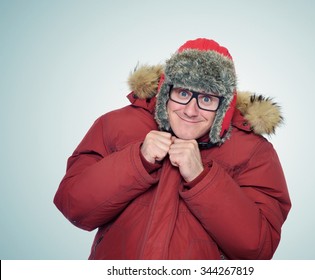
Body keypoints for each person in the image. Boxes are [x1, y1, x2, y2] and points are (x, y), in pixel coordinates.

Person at [54, 38, 291, 260]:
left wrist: (202, 179)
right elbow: (74, 205)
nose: (190, 110)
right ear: (167, 91)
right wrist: (138, 160)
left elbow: (259, 248)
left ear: (225, 105)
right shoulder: (115, 125)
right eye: (183, 93)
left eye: (206, 99)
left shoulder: (253, 152)